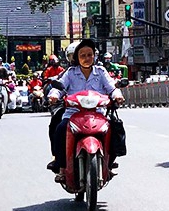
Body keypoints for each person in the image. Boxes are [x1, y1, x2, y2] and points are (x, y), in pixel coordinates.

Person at [46, 39, 124, 179]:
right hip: (73, 114)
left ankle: (109, 162)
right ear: (77, 58)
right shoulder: (70, 73)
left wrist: (117, 96)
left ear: (94, 56)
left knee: (114, 129)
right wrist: (53, 96)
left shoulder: (101, 72)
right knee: (60, 128)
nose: (86, 58)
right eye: (83, 55)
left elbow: (112, 88)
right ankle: (61, 165)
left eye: (89, 55)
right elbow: (59, 88)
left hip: (98, 114)